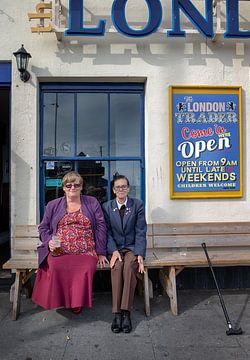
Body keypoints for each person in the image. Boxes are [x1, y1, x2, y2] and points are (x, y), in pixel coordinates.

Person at [32, 171, 108, 313]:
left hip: (86, 251)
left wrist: (101, 252)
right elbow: (43, 227)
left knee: (85, 269)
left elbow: (101, 226)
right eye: (69, 185)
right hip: (60, 250)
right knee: (55, 267)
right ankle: (62, 300)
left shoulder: (92, 202)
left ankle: (76, 302)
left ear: (81, 187)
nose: (72, 188)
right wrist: (49, 241)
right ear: (63, 187)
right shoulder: (53, 205)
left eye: (76, 185)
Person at [102, 175, 147, 333]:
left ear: (128, 188)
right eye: (118, 187)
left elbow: (141, 231)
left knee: (129, 267)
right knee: (117, 266)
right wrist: (113, 250)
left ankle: (126, 313)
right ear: (113, 190)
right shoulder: (107, 207)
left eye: (124, 186)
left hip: (132, 247)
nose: (121, 189)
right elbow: (106, 232)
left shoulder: (138, 205)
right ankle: (116, 314)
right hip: (115, 248)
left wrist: (140, 253)